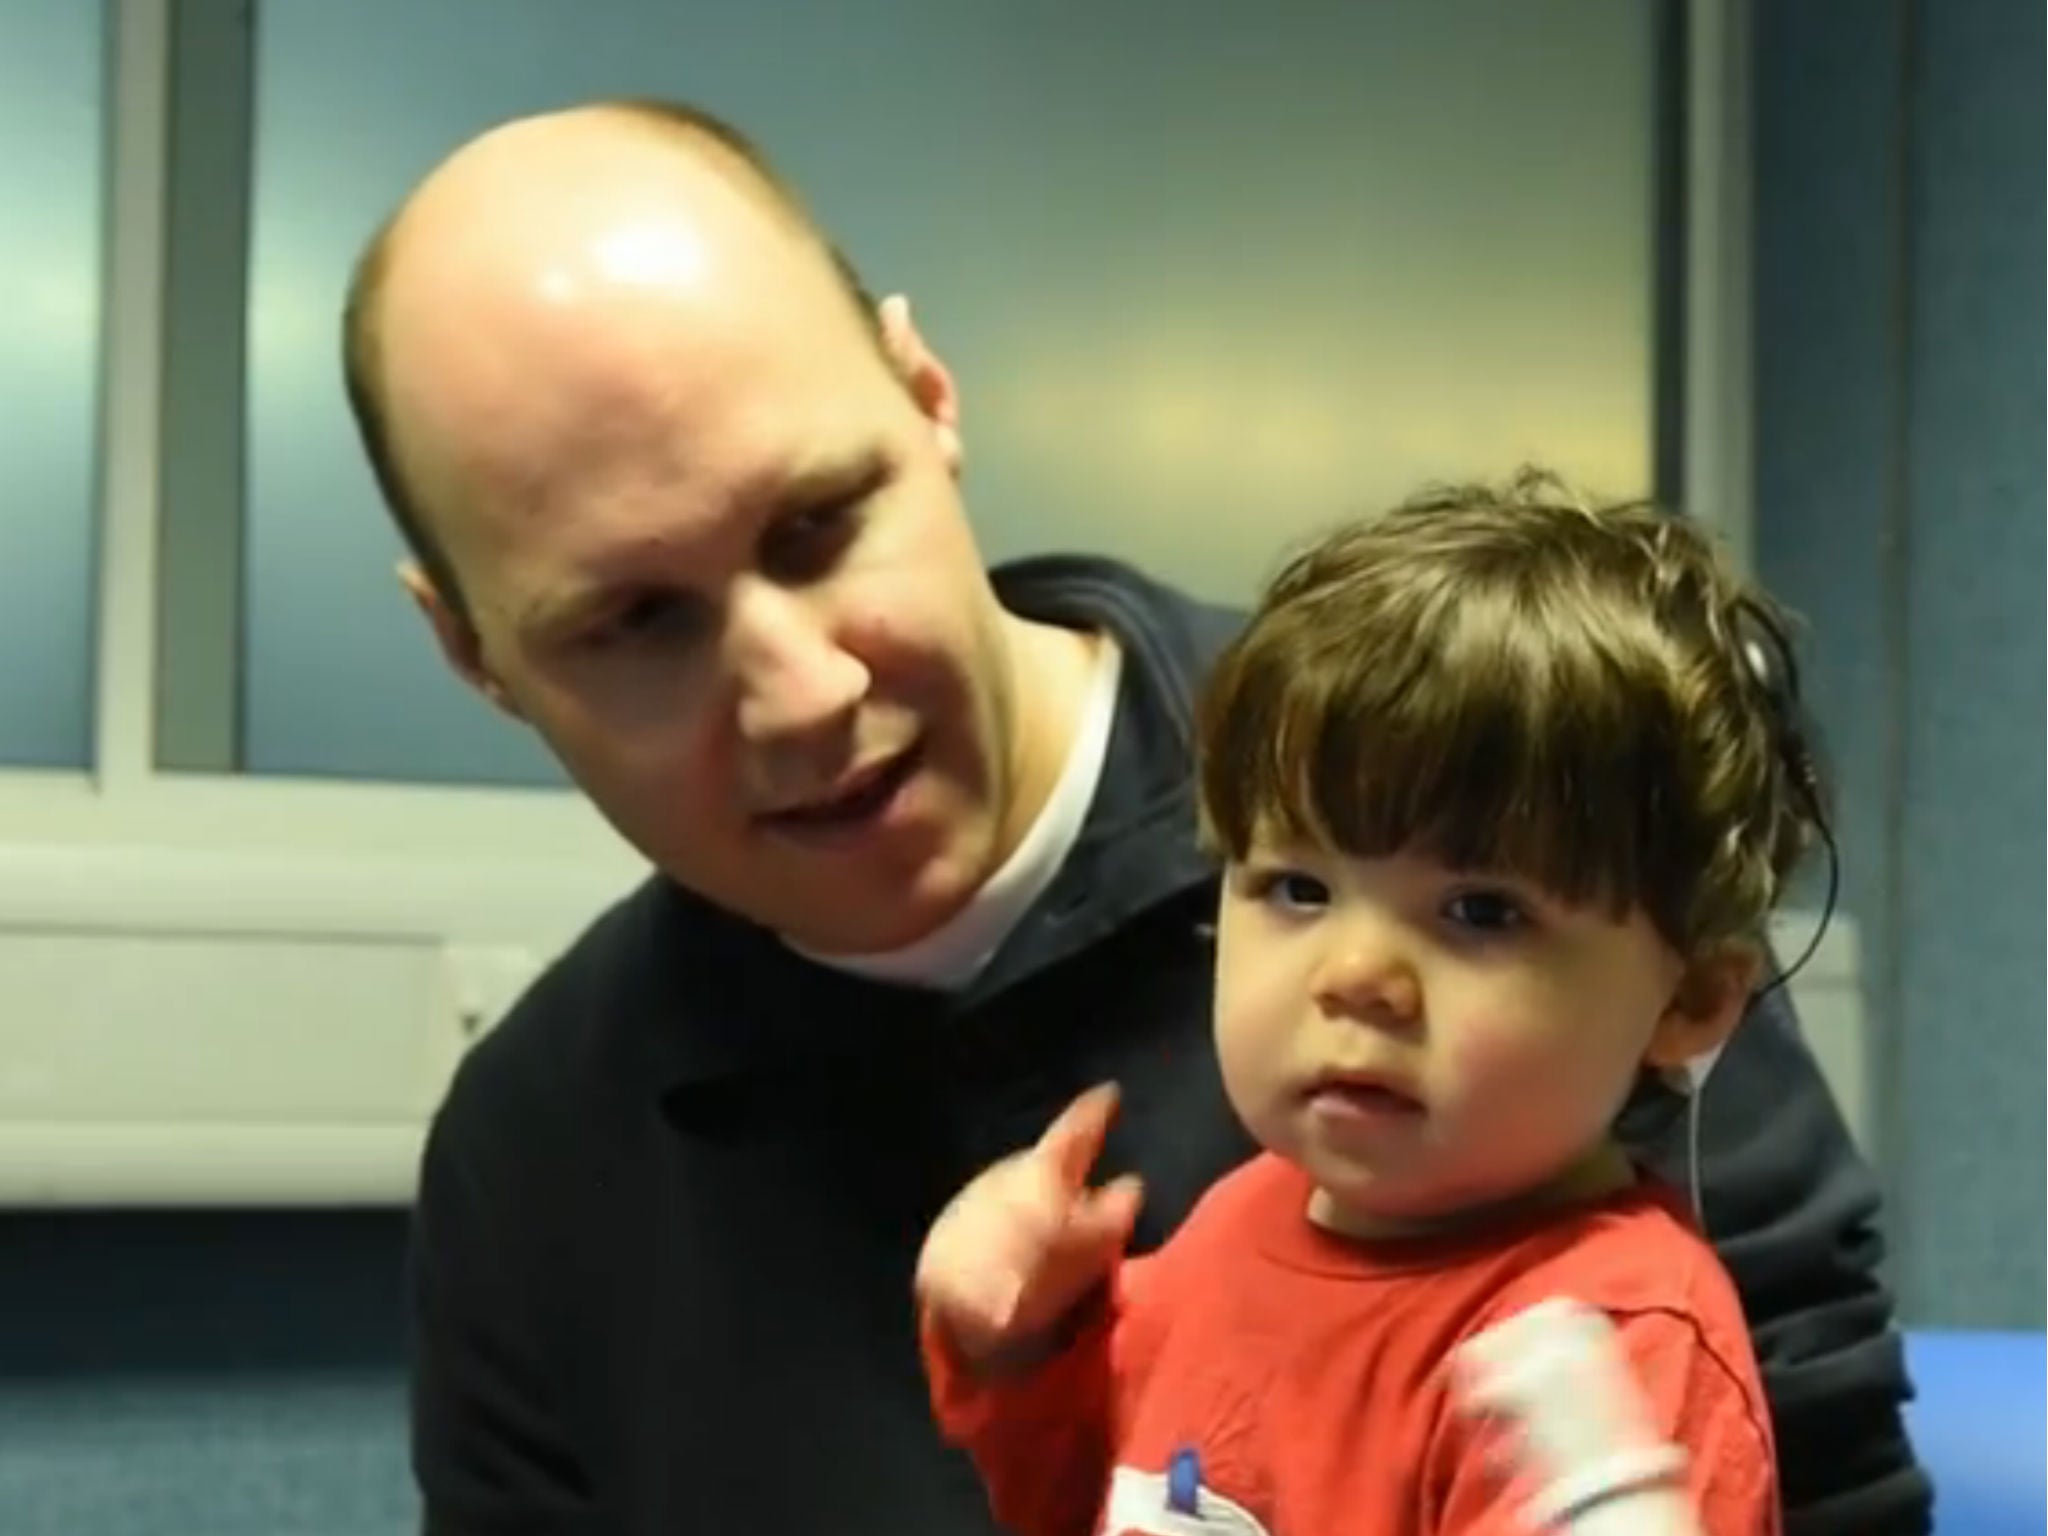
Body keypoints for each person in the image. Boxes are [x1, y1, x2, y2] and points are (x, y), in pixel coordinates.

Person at [338, 98, 1929, 1535]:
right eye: (635, 624)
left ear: (926, 395)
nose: (803, 690)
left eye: (819, 525)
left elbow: (1823, 1468)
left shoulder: (1487, 794)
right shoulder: (535, 1154)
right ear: (472, 652)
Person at [915, 479, 1800, 1535]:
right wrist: (1023, 1351)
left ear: (1691, 998)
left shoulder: (1605, 1348)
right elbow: (1089, 1506)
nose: (1353, 975)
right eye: (1297, 888)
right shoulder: (1237, 1222)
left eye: (1479, 910)